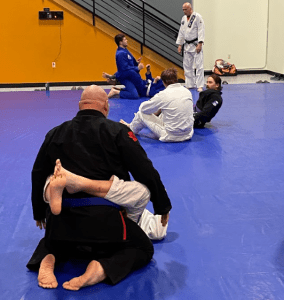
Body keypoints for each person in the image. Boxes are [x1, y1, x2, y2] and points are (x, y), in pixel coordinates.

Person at [27, 85, 172, 290]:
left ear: (79, 106)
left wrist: (38, 212)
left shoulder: (55, 133)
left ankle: (48, 257)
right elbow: (144, 170)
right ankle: (101, 268)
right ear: (106, 107)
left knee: (53, 240)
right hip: (105, 222)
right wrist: (162, 205)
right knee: (142, 248)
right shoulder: (118, 131)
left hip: (61, 224)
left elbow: (38, 173)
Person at [45, 159, 168, 240]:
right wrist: (162, 199)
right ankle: (74, 184)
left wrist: (38, 212)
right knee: (143, 192)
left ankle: (52, 190)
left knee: (55, 180)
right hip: (114, 218)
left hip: (71, 214)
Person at [120, 68, 194, 142]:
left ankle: (131, 128)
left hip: (171, 136)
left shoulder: (164, 94)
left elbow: (143, 108)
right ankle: (134, 125)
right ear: (176, 79)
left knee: (141, 114)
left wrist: (154, 109)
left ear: (163, 82)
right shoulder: (187, 92)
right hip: (188, 134)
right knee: (165, 110)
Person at [176, 2, 205, 92]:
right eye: (183, 9)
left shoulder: (197, 17)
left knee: (199, 66)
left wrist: (200, 43)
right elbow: (181, 32)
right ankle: (190, 84)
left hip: (196, 44)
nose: (184, 11)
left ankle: (200, 85)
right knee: (187, 66)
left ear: (190, 8)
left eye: (185, 9)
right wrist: (180, 44)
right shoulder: (184, 18)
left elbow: (201, 30)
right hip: (187, 45)